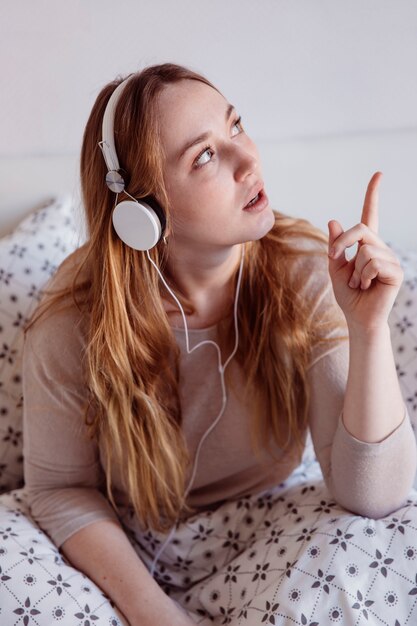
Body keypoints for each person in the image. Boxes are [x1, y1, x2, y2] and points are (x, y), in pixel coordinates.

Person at [22, 63, 416, 626]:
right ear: (142, 213)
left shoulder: (304, 269)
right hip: (126, 546)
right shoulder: (75, 313)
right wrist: (154, 612)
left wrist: (368, 329)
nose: (249, 159)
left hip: (273, 526)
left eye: (236, 126)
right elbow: (60, 491)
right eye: (204, 156)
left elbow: (373, 498)